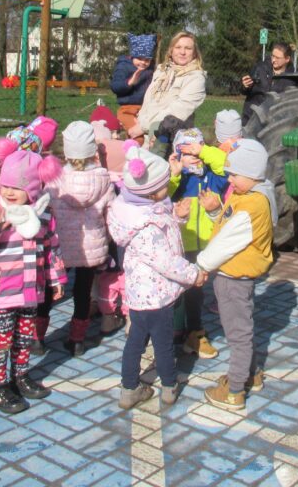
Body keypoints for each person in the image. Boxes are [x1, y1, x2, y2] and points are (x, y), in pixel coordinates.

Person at [107, 144, 207, 409]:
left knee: (135, 343)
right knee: (163, 344)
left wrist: (178, 217)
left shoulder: (136, 208)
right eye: (164, 186)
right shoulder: (146, 226)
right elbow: (165, 261)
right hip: (157, 295)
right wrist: (193, 274)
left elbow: (164, 227)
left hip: (139, 295)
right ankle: (169, 386)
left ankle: (129, 388)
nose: (168, 190)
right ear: (152, 192)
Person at [0, 147, 67, 414]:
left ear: (34, 190)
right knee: (1, 341)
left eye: (18, 187)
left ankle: (20, 376)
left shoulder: (43, 214)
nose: (9, 192)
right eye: (6, 185)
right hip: (0, 292)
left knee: (24, 337)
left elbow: (51, 247)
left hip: (30, 290)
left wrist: (56, 278)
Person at [196, 139, 276, 411]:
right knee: (243, 329)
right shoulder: (245, 197)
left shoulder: (252, 205)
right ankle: (250, 375)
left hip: (233, 279)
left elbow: (228, 241)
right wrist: (215, 211)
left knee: (238, 335)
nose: (229, 178)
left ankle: (234, 390)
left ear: (253, 174)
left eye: (234, 174)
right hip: (235, 276)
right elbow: (229, 228)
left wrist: (201, 266)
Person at [46, 121, 114, 356]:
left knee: (48, 287)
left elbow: (48, 209)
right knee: (82, 292)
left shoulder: (55, 178)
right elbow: (111, 212)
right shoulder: (103, 179)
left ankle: (36, 337)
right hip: (90, 245)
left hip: (59, 245)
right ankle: (77, 339)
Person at [169, 128, 229, 359]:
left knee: (195, 291)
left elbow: (225, 165)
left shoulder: (211, 178)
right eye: (187, 152)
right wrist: (175, 172)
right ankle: (175, 331)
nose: (194, 157)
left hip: (201, 246)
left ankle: (195, 333)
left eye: (197, 152)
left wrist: (204, 151)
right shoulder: (175, 179)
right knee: (175, 292)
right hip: (177, 246)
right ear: (177, 155)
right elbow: (163, 193)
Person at [130, 32, 207, 151]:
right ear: (171, 50)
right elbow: (149, 102)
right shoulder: (161, 70)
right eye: (178, 47)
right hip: (140, 132)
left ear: (195, 52)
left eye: (188, 48)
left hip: (166, 140)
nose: (182, 52)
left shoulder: (196, 78)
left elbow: (177, 111)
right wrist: (138, 121)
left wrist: (143, 126)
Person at [111, 34, 156, 139]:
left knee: (149, 136)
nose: (143, 63)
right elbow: (115, 86)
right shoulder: (123, 67)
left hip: (144, 109)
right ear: (132, 56)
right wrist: (129, 82)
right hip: (127, 109)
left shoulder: (150, 70)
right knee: (136, 136)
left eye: (147, 60)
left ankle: (132, 151)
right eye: (140, 59)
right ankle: (133, 154)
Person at [241, 42, 295, 124]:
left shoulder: (291, 79)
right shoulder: (260, 68)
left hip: (273, 124)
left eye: (278, 58)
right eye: (273, 56)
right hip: (250, 119)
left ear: (287, 59)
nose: (273, 60)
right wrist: (244, 86)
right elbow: (244, 91)